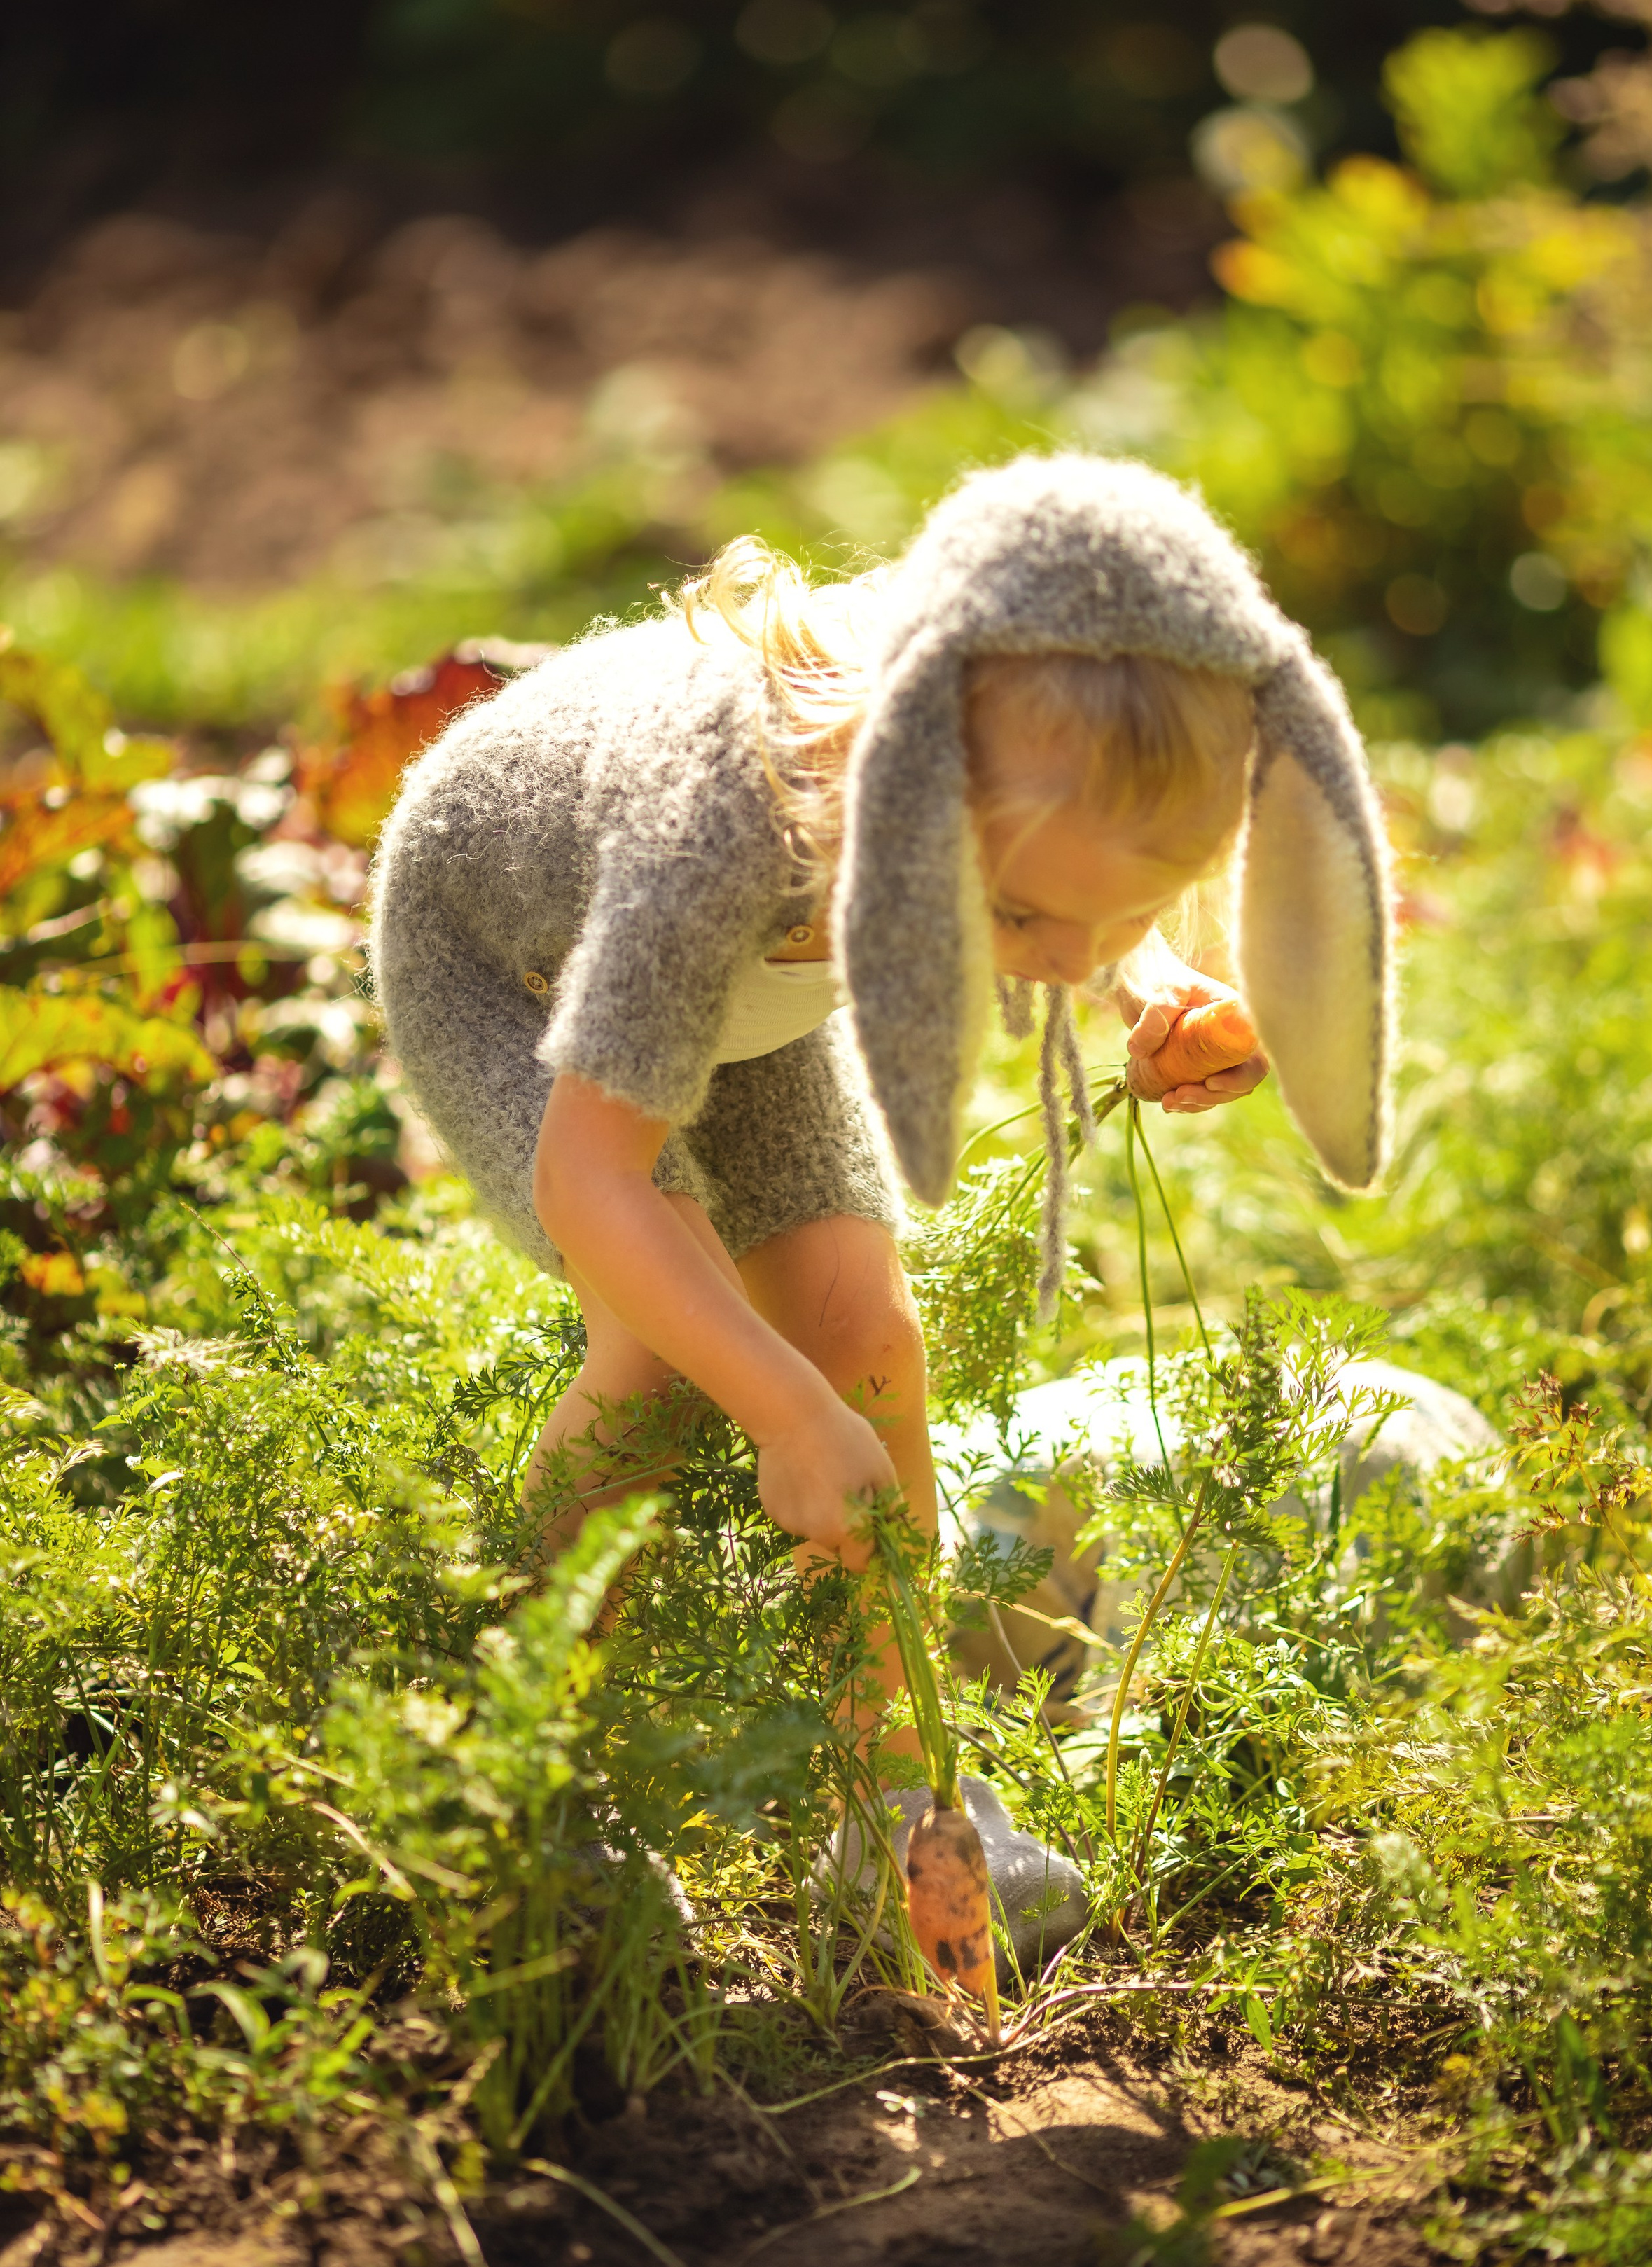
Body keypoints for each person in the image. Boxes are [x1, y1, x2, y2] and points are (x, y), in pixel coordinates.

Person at [368, 450, 1396, 1965]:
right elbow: (591, 1180)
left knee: (869, 1349)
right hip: (513, 969)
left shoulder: (1000, 733)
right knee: (661, 1362)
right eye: (1025, 923)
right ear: (903, 803)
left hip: (767, 988)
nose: (1059, 953)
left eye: (1106, 914)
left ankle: (897, 1806)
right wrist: (779, 1415)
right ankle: (512, 1773)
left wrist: (1149, 979)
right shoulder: (712, 827)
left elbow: (1073, 867)